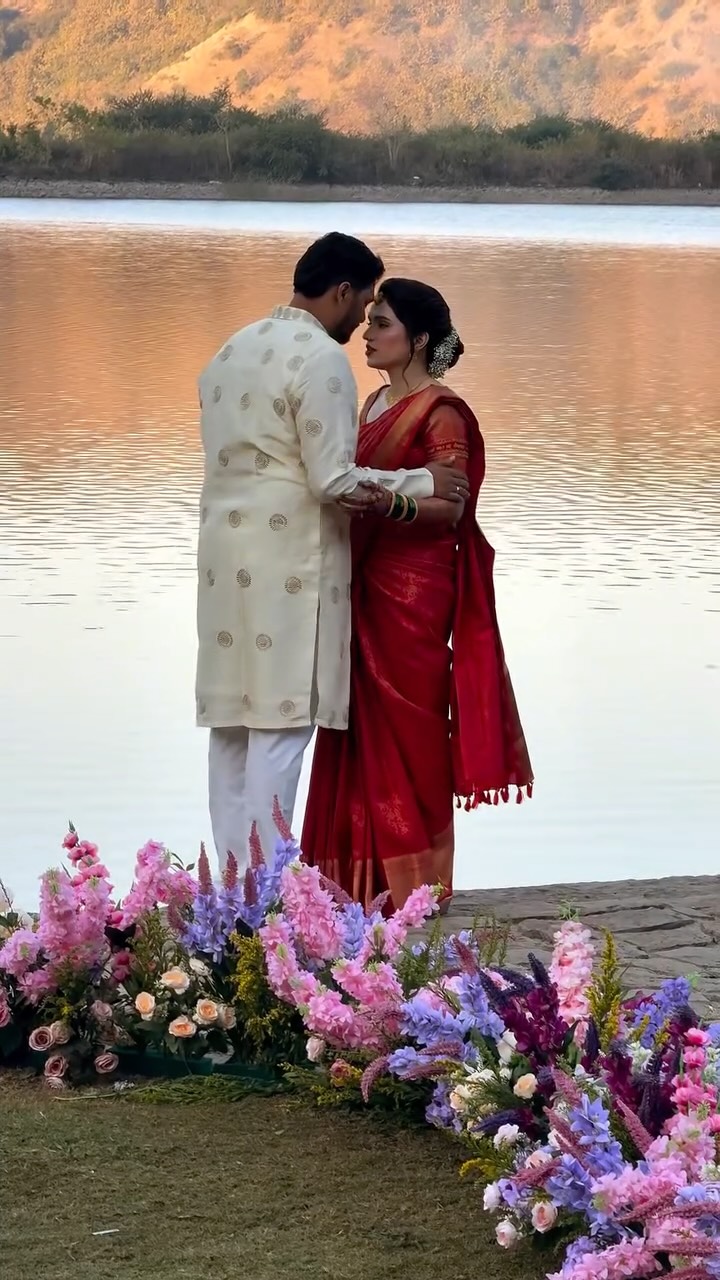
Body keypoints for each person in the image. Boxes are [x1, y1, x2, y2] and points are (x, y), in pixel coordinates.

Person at [195, 236, 471, 870]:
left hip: (222, 561)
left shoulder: (233, 347)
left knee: (232, 727)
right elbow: (332, 480)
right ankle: (266, 899)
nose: (361, 324)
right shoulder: (319, 357)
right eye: (363, 304)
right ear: (343, 291)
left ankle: (232, 892)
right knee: (282, 725)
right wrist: (421, 481)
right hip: (288, 564)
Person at [301, 278, 533, 912]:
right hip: (359, 581)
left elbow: (450, 506)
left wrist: (387, 501)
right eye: (369, 319)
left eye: (383, 323)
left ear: (420, 339)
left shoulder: (441, 412)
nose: (368, 332)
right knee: (353, 727)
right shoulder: (373, 404)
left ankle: (415, 889)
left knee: (410, 729)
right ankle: (347, 890)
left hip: (412, 591)